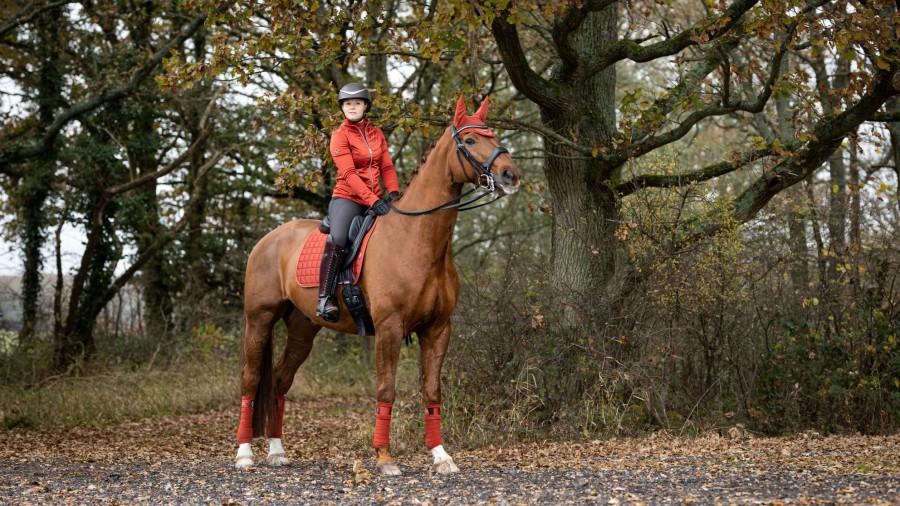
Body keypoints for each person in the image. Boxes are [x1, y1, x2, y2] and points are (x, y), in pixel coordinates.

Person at [317, 82, 401, 322]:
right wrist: (374, 200)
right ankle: (324, 297)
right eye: (347, 104)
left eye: (357, 103)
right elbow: (350, 175)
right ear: (342, 108)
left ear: (365, 106)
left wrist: (393, 192)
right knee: (340, 238)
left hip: (375, 199)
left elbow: (386, 166)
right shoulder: (339, 136)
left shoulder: (377, 134)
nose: (352, 107)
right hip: (347, 197)